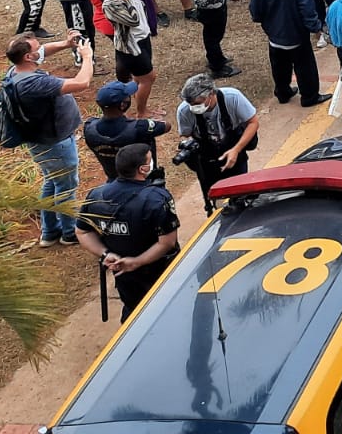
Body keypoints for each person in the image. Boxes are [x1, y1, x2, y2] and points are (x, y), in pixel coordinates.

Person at [0, 32, 92, 245]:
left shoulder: (14, 71)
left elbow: (42, 51)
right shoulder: (34, 84)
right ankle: (69, 233)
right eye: (36, 49)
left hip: (40, 142)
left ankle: (50, 232)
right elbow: (82, 82)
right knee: (67, 187)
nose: (41, 51)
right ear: (28, 58)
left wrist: (65, 44)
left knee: (53, 182)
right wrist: (86, 57)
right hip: (55, 144)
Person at [75, 143, 180, 318]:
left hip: (124, 277)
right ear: (143, 169)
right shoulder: (156, 198)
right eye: (150, 159)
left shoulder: (95, 196)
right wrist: (136, 261)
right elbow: (167, 242)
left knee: (134, 314)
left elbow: (82, 232)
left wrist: (105, 254)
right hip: (161, 272)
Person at [248, 0, 327, 106]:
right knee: (305, 68)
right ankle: (309, 96)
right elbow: (307, 9)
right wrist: (316, 28)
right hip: (297, 36)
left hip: (274, 37)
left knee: (279, 67)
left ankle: (283, 93)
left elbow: (255, 11)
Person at [175, 73, 260, 214]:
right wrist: (187, 145)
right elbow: (185, 134)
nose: (194, 107)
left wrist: (236, 150)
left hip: (234, 148)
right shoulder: (184, 110)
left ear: (211, 94)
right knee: (216, 196)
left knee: (240, 190)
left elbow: (253, 122)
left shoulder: (233, 98)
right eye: (190, 104)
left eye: (198, 103)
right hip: (208, 157)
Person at [82, 81, 169, 180]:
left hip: (114, 181)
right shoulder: (139, 128)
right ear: (122, 105)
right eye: (127, 96)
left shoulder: (89, 128)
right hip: (143, 182)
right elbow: (166, 126)